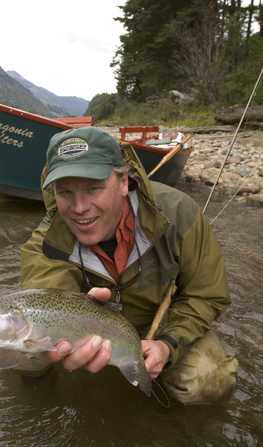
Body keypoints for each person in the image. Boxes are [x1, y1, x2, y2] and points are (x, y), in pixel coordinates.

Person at [20, 126, 239, 403]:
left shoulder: (179, 214)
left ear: (123, 182)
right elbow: (44, 297)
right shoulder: (47, 240)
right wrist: (59, 331)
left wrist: (168, 344)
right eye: (64, 192)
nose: (78, 208)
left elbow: (206, 295)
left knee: (205, 381)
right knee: (24, 351)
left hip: (161, 325)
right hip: (90, 328)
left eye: (93, 188)